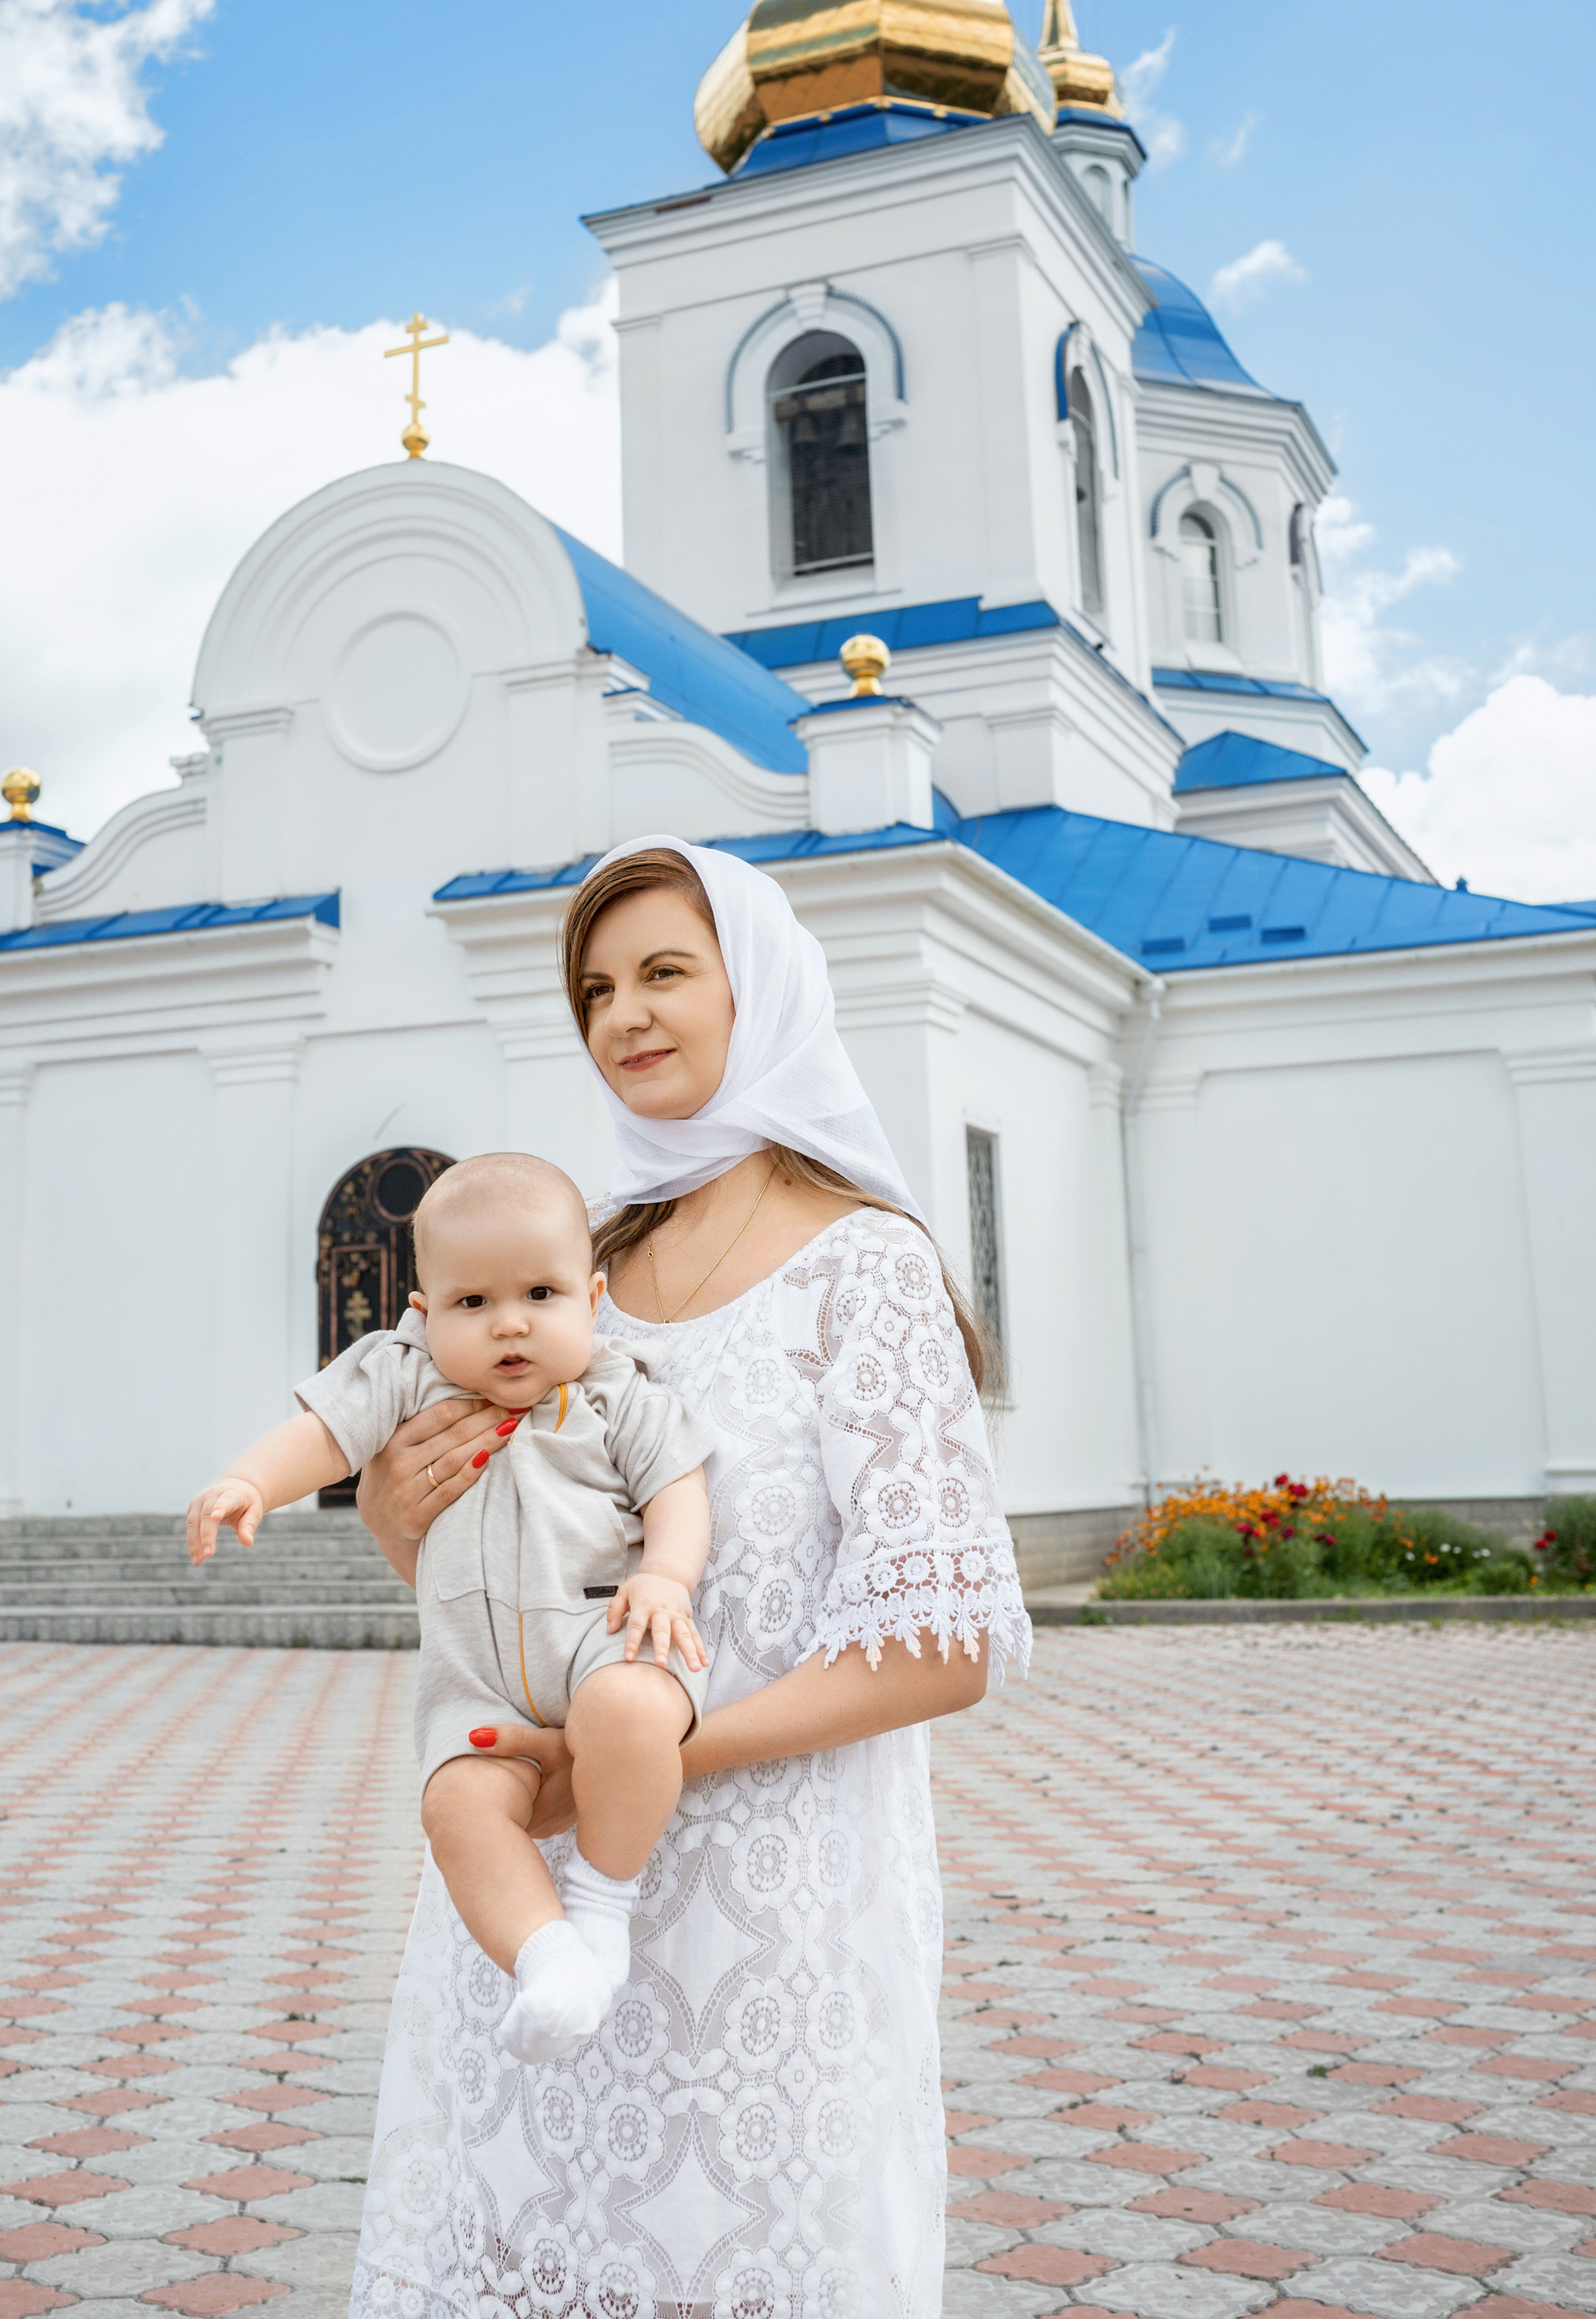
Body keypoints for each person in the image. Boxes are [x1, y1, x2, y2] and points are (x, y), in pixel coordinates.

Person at [350, 836, 1033, 2319]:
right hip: (531, 1927)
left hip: (770, 1910)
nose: (622, 1017)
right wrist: (401, 1524)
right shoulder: (561, 1272)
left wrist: (630, 1756)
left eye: (665, 971)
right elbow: (494, 1559)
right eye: (593, 988)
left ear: (761, 986)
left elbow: (944, 1646)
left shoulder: (862, 1265)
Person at [185, 1152, 715, 2065]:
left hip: (603, 1638)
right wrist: (250, 1481)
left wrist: (665, 1575)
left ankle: (598, 1904)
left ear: (591, 1298)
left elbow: (678, 1491)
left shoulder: (616, 1392)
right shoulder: (406, 1376)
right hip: (475, 1685)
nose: (510, 1323)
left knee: (631, 1710)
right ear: (424, 1313)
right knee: (458, 1809)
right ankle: (550, 1962)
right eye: (473, 1304)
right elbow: (322, 1432)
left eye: (540, 1294)